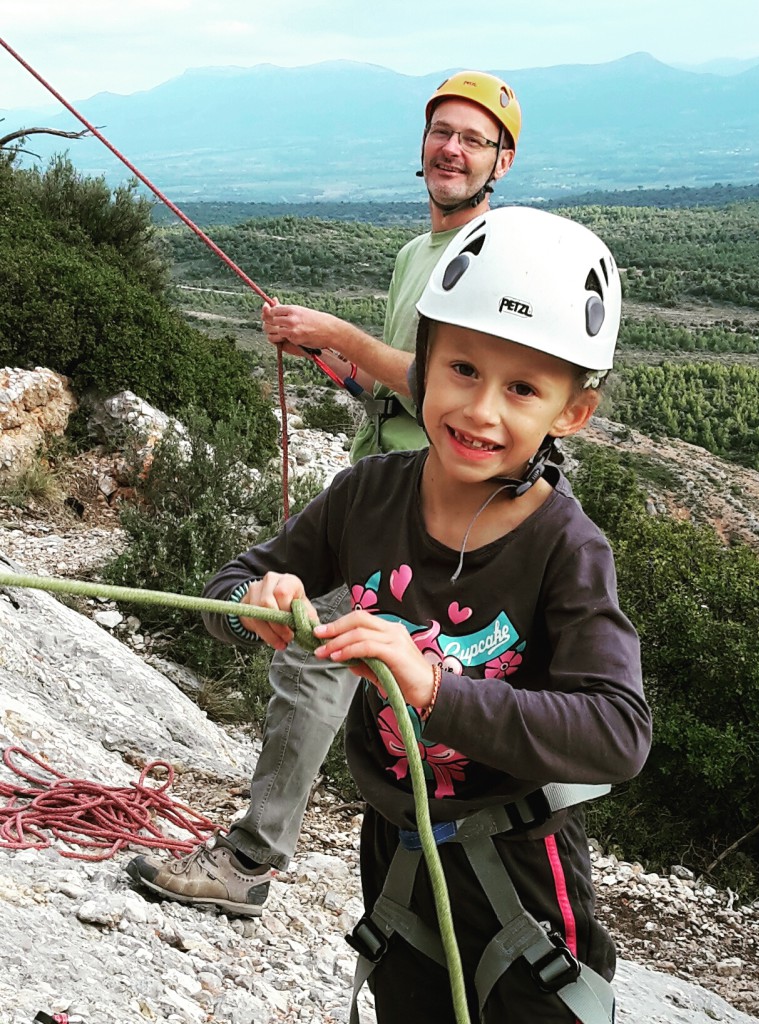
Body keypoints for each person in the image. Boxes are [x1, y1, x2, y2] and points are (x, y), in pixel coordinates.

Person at [197, 206, 651, 1023]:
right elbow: (230, 589)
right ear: (422, 372)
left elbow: (617, 735)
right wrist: (253, 605)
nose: (481, 411)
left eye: (523, 389)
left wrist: (434, 688)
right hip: (396, 850)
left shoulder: (567, 547)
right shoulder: (369, 496)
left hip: (519, 864)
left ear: (570, 413)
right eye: (463, 371)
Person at [126, 71, 523, 915]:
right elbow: (399, 392)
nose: (451, 149)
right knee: (332, 642)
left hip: (436, 509)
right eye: (441, 133)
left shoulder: (490, 258)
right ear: (423, 149)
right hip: (388, 487)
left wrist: (337, 333)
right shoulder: (418, 253)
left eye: (472, 139)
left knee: (317, 641)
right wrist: (340, 367)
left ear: (502, 161)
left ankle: (249, 863)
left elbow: (447, 392)